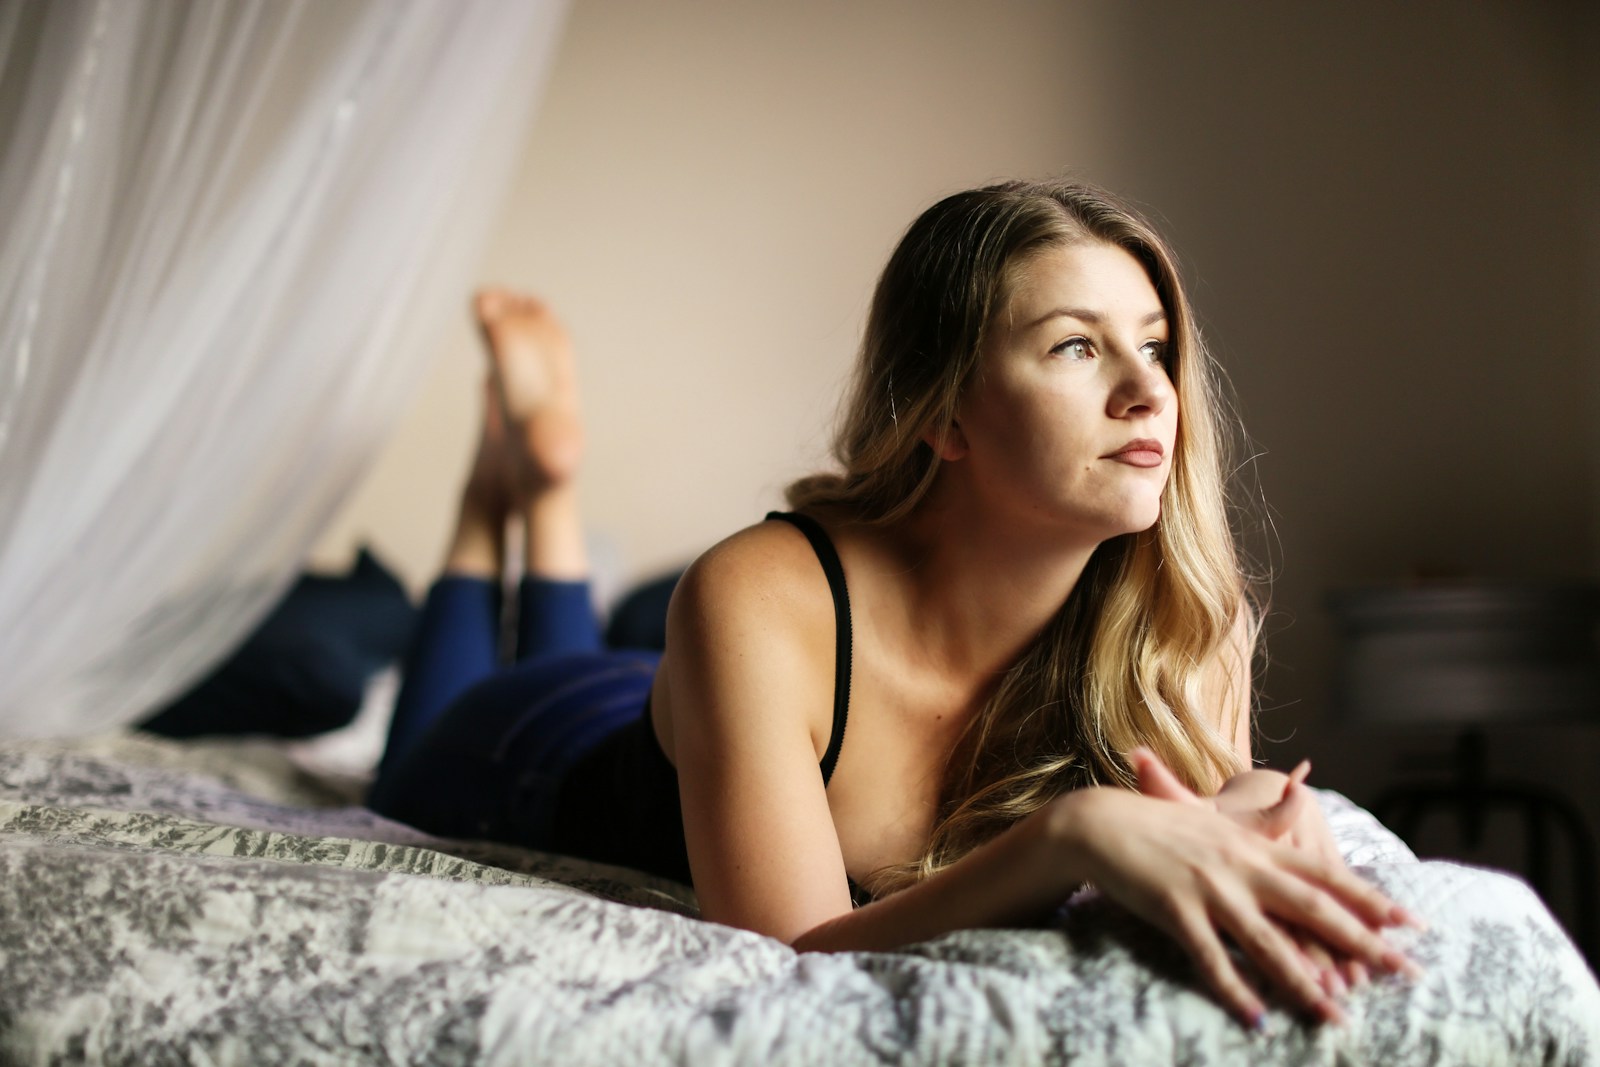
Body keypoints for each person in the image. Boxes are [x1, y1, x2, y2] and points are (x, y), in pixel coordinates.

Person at [369, 179, 1421, 1029]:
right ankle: (498, 504)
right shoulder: (758, 589)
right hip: (534, 746)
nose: (1148, 390)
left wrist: (1241, 813)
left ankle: (540, 492)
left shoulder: (1187, 618)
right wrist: (1071, 833)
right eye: (1074, 345)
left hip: (700, 713)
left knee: (621, 651)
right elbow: (787, 948)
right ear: (945, 414)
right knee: (468, 708)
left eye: (1153, 344)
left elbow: (1195, 835)